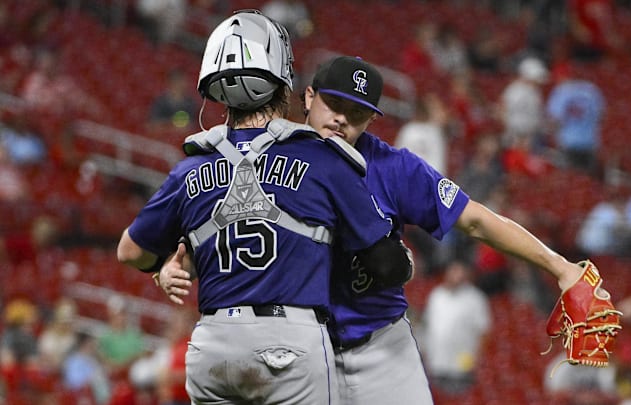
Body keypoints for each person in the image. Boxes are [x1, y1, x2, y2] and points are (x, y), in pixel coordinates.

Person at [159, 54, 593, 405]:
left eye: (358, 113)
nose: (342, 120)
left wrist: (558, 266)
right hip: (296, 356)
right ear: (307, 97)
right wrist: (174, 263)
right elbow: (221, 233)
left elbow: (476, 219)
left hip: (379, 347)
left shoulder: (394, 168)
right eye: (334, 105)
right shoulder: (259, 160)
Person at [117, 12, 410, 405]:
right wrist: (403, 261)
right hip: (288, 343)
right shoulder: (321, 157)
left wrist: (163, 268)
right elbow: (385, 265)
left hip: (213, 346)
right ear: (283, 82)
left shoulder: (188, 169)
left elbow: (130, 251)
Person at [421, 260, 492, 396]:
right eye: (453, 271)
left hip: (462, 364)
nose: (456, 276)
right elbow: (428, 327)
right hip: (437, 363)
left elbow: (484, 331)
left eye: (459, 272)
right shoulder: (436, 295)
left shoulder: (475, 298)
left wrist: (475, 359)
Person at [545, 62, 606, 175]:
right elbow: (602, 116)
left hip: (569, 142)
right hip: (590, 142)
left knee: (571, 180)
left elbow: (555, 120)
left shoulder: (560, 91)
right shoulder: (591, 89)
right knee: (588, 180)